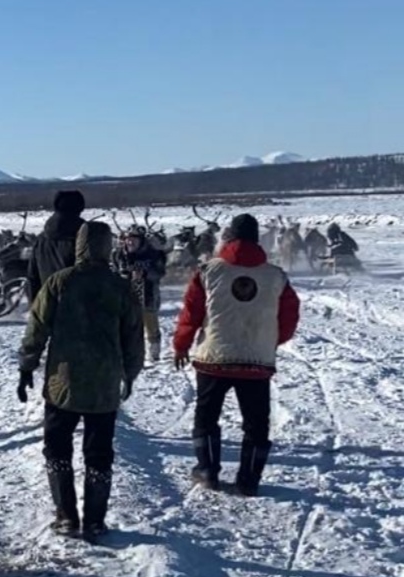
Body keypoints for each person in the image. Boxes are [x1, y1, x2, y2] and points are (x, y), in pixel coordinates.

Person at [18, 221, 144, 538]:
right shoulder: (121, 286)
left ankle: (65, 516)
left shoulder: (59, 282)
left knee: (57, 448)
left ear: (79, 246)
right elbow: (133, 338)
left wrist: (26, 365)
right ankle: (95, 520)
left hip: (63, 383)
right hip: (104, 385)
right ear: (107, 246)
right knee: (99, 453)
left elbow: (37, 327)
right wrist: (130, 373)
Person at [173, 213, 300, 496]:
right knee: (256, 425)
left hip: (213, 359)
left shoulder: (207, 271)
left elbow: (191, 314)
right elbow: (290, 317)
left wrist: (181, 344)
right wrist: (268, 341)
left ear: (229, 237)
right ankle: (249, 481)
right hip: (257, 362)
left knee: (206, 418)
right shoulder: (276, 276)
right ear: (257, 239)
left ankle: (207, 471)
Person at [113, 227, 168, 361]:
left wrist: (145, 274)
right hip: (125, 296)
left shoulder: (153, 254)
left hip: (148, 294)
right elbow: (113, 272)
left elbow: (159, 273)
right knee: (127, 326)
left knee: (150, 325)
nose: (130, 243)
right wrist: (123, 275)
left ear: (141, 241)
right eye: (128, 240)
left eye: (133, 240)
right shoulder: (119, 255)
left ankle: (154, 351)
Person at [27, 189, 85, 302]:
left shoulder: (41, 240)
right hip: (78, 308)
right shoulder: (84, 238)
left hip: (47, 306)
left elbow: (32, 277)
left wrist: (35, 308)